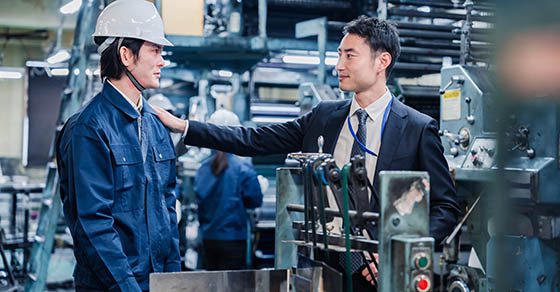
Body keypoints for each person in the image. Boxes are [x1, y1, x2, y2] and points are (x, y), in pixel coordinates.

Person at [155, 15, 460, 290]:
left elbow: (446, 207)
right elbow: (253, 139)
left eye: (350, 55)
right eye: (339, 54)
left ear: (382, 61)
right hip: (323, 266)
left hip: (381, 275)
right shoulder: (324, 118)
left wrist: (400, 252)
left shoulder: (417, 129)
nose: (339, 65)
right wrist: (185, 127)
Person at [56, 1, 180, 291]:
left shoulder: (155, 124)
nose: (162, 60)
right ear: (126, 54)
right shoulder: (88, 129)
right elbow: (94, 226)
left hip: (156, 283)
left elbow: (168, 209)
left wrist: (173, 281)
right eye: (155, 50)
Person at [195, 109, 263, 270]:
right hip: (233, 240)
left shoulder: (202, 168)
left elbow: (200, 203)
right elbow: (255, 200)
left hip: (208, 239)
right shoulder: (242, 168)